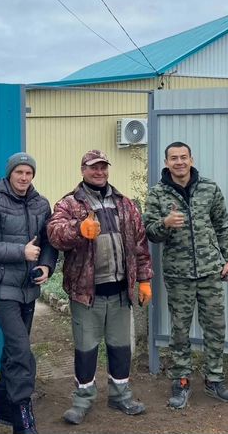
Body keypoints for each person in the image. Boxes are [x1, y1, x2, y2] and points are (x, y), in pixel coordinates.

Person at [47, 150, 153, 425]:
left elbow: (140, 245)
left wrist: (144, 280)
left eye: (103, 167)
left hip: (119, 292)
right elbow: (55, 233)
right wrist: (78, 228)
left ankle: (120, 395)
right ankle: (82, 400)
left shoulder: (125, 204)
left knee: (120, 347)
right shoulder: (69, 203)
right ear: (83, 170)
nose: (100, 172)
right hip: (86, 294)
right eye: (94, 168)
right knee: (86, 348)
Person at [143, 141, 228, 409]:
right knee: (180, 331)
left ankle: (214, 380)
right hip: (178, 275)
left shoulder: (209, 188)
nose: (179, 162)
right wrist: (165, 223)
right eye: (174, 158)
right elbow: (149, 231)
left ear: (191, 159)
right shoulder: (158, 194)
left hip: (210, 272)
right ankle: (181, 381)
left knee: (215, 327)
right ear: (167, 163)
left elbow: (222, 224)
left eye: (183, 157)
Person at [0, 152, 58, 434]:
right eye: (19, 172)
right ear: (10, 174)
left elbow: (49, 242)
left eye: (28, 173)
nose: (24, 177)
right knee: (21, 350)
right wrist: (20, 252)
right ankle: (22, 416)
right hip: (2, 288)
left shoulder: (41, 203)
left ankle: (4, 405)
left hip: (28, 289)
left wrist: (46, 265)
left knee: (13, 349)